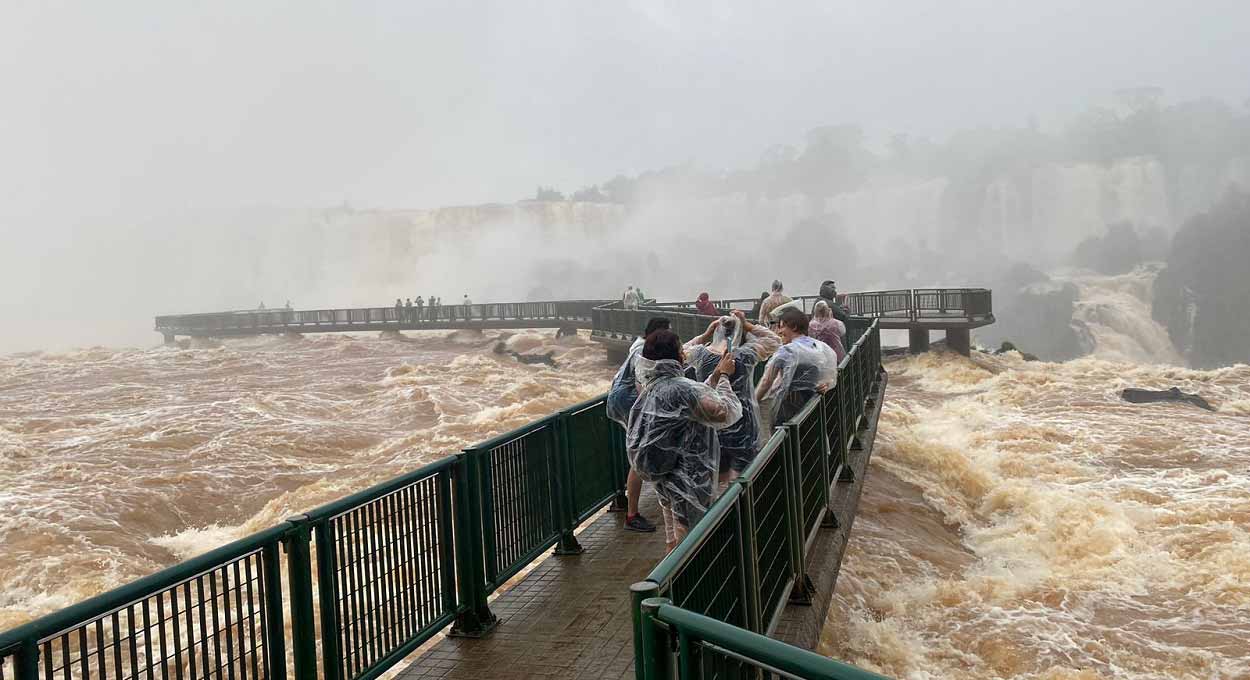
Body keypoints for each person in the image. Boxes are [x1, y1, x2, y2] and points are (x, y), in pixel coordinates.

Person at [627, 329, 743, 551]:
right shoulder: (680, 388)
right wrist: (727, 377)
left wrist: (716, 375)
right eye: (681, 350)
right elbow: (724, 412)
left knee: (672, 536)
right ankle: (684, 584)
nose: (684, 353)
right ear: (675, 356)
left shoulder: (653, 387)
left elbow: (695, 402)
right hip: (687, 479)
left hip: (664, 477)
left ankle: (672, 582)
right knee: (688, 544)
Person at [683, 310, 781, 484]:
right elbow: (775, 340)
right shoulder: (745, 354)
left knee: (716, 474)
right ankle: (742, 508)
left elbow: (681, 352)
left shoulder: (700, 354)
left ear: (717, 331)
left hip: (713, 420)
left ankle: (721, 508)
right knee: (741, 477)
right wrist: (747, 325)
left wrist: (705, 335)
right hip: (744, 422)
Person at [606, 316, 672, 533]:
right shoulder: (641, 351)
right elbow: (640, 382)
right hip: (625, 401)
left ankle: (637, 507)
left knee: (643, 450)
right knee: (640, 453)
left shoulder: (641, 346)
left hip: (622, 399)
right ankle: (632, 515)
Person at [756, 308, 839, 431]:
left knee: (787, 443)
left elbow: (766, 382)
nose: (779, 331)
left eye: (782, 327)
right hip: (814, 406)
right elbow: (829, 373)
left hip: (788, 407)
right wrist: (825, 384)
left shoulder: (787, 351)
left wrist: (754, 402)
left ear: (793, 327)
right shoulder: (820, 347)